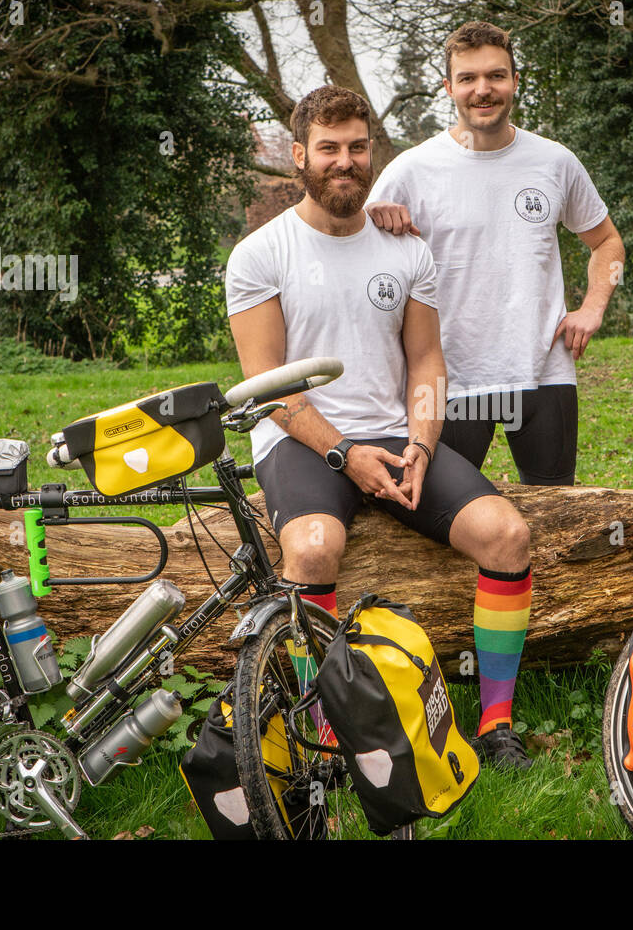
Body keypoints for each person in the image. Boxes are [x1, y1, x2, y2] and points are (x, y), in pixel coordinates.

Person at [226, 85, 536, 769]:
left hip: (397, 435)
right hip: (302, 440)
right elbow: (267, 387)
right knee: (311, 549)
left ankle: (497, 721)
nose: (346, 161)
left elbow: (427, 362)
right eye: (329, 149)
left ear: (373, 152)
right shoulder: (259, 254)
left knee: (507, 535)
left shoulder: (406, 249)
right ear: (300, 156)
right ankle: (327, 733)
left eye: (358, 147)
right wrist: (344, 456)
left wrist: (422, 444)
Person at [367, 20, 624, 486]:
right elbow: (354, 257)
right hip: (449, 378)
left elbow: (607, 242)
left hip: (543, 373)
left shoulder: (554, 161)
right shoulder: (411, 170)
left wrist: (592, 307)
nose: (482, 90)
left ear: (515, 82)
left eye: (495, 76)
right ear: (449, 88)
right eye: (467, 78)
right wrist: (374, 224)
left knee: (558, 509)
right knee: (440, 519)